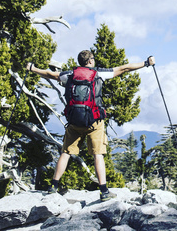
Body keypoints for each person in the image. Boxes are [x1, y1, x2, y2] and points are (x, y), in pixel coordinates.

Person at [26, 50, 155, 201]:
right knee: (97, 154)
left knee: (66, 152)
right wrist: (146, 63)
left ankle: (53, 186)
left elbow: (50, 75)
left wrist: (33, 69)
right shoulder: (99, 73)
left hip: (74, 121)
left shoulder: (69, 75)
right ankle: (104, 191)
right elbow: (124, 68)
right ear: (91, 61)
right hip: (94, 121)